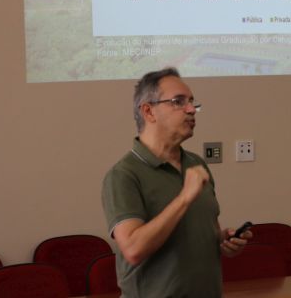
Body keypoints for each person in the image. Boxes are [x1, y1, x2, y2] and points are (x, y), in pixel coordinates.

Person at [102, 67, 250, 297]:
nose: (191, 110)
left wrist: (224, 241)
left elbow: (201, 232)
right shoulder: (123, 174)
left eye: (192, 102)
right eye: (178, 102)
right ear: (149, 111)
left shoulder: (196, 164)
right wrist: (184, 197)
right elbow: (133, 249)